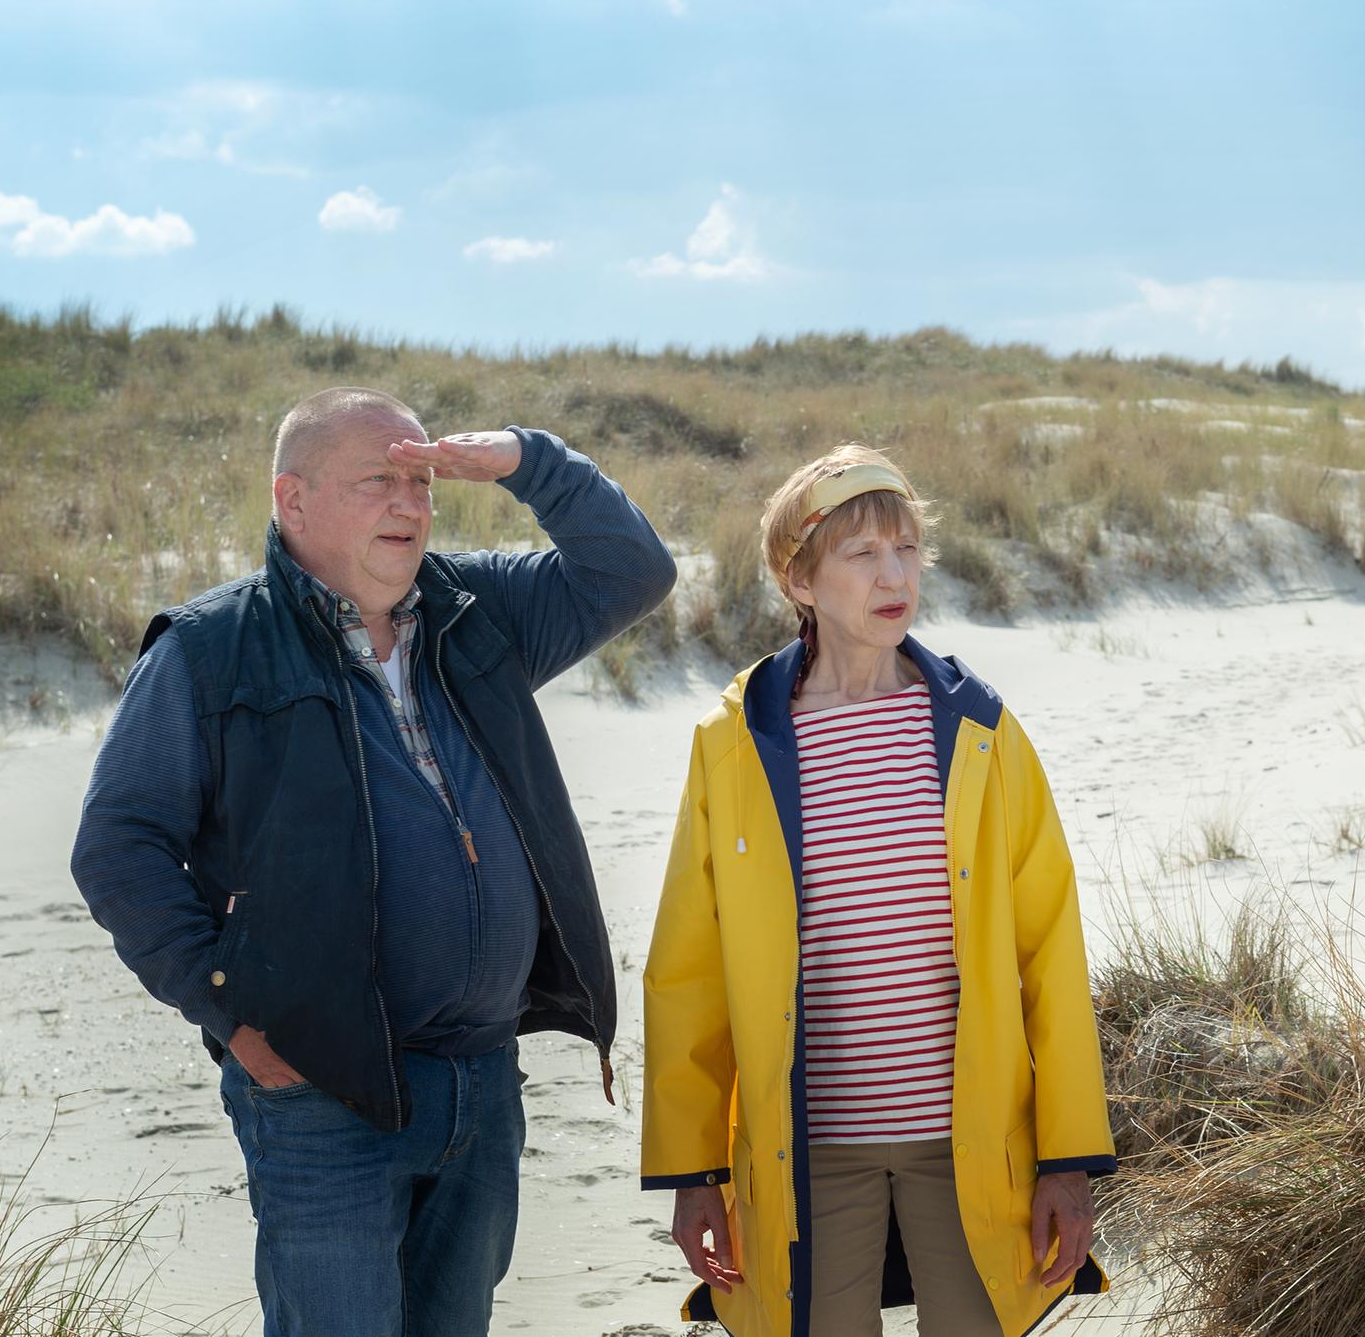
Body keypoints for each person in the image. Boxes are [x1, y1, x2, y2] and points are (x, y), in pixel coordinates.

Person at [69, 386, 676, 1336]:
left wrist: (526, 459)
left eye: (419, 481)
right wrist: (229, 1016)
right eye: (375, 483)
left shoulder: (478, 610)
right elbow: (118, 847)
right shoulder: (210, 651)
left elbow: (631, 570)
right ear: (293, 500)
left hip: (480, 1078)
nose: (408, 504)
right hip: (320, 1091)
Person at [641, 446, 1115, 1336]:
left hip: (970, 1146)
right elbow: (687, 971)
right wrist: (694, 1172)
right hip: (805, 1153)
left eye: (907, 549)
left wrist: (1067, 1158)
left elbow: (1050, 952)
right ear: (801, 579)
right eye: (862, 555)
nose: (894, 574)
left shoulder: (981, 730)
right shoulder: (736, 741)